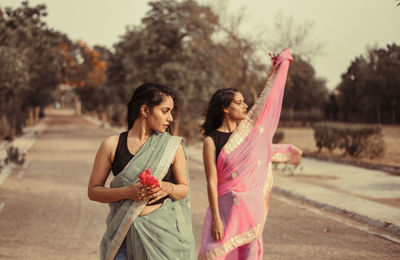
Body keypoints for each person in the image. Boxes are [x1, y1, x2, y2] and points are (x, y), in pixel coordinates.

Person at [198, 49, 302, 259]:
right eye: (239, 102)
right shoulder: (211, 141)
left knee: (250, 254)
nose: (245, 106)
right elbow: (211, 182)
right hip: (225, 210)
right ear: (225, 109)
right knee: (213, 252)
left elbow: (269, 103)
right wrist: (216, 218)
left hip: (249, 209)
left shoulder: (249, 137)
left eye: (244, 101)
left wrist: (280, 69)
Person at [88, 83, 196, 260]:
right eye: (165, 111)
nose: (170, 118)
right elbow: (93, 191)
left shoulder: (172, 146)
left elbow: (184, 189)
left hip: (163, 236)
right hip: (123, 232)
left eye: (171, 112)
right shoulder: (112, 145)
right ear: (145, 110)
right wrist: (128, 192)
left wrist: (167, 187)